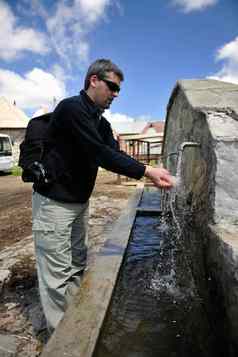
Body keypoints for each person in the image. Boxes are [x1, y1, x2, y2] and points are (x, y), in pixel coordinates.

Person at [32, 58, 174, 333]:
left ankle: (72, 322)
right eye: (112, 87)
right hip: (54, 204)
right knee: (57, 275)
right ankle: (66, 342)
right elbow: (100, 154)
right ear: (93, 81)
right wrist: (147, 171)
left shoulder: (101, 122)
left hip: (78, 203)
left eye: (118, 90)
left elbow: (115, 153)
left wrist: (152, 171)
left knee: (75, 263)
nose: (116, 94)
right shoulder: (71, 109)